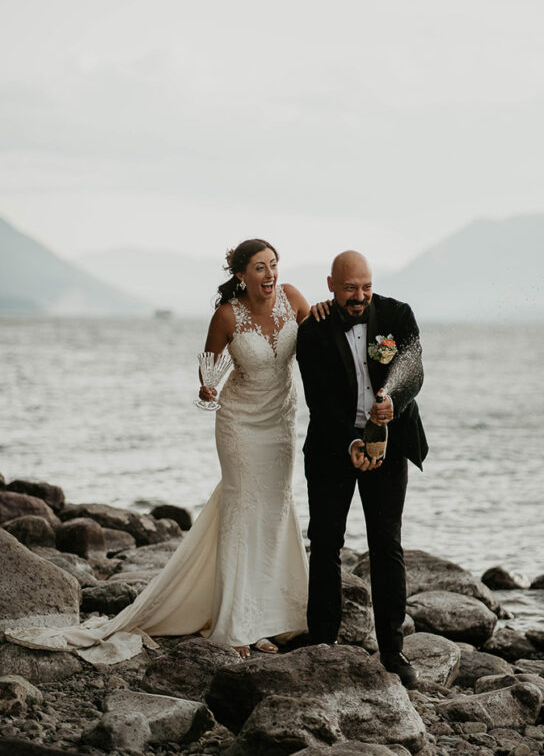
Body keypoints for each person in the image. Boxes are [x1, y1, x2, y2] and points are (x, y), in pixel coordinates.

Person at [8, 239, 311, 664]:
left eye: (273, 265)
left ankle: (268, 618)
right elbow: (208, 372)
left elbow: (321, 346)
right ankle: (235, 624)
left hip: (281, 422)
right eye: (259, 268)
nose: (270, 275)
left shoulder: (294, 299)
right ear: (241, 275)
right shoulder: (226, 315)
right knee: (242, 512)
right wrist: (207, 388)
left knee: (276, 512)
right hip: (240, 424)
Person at [296, 250, 428, 687]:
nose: (360, 296)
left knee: (386, 544)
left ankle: (392, 651)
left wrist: (394, 398)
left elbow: (413, 368)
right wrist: (352, 442)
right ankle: (322, 643)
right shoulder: (312, 329)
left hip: (390, 445)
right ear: (331, 284)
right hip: (334, 446)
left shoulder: (397, 314)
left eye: (367, 286)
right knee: (326, 540)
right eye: (351, 288)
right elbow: (319, 400)